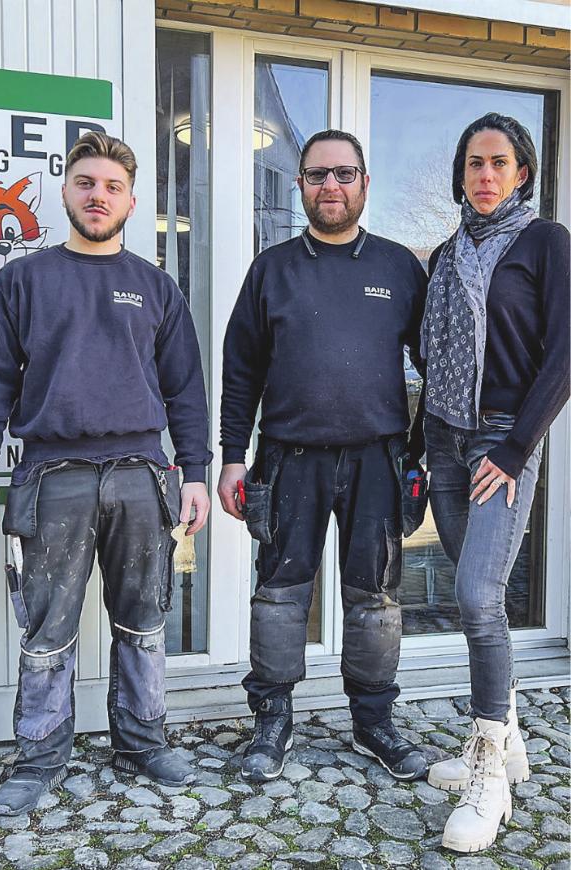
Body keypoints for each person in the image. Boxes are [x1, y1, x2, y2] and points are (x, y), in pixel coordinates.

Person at [0, 132, 212, 815]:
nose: (98, 196)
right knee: (48, 628)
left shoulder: (154, 286)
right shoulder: (23, 282)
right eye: (86, 183)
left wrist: (195, 470)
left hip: (141, 476)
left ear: (131, 201)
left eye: (112, 187)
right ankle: (39, 757)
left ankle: (141, 740)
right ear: (66, 191)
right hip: (51, 475)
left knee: (143, 620)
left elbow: (186, 388)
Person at [218, 129, 429, 783]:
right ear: (302, 184)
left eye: (343, 174)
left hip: (378, 461)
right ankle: (272, 721)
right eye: (316, 175)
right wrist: (231, 457)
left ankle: (374, 724)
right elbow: (239, 370)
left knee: (375, 601)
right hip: (289, 459)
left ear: (365, 183)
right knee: (279, 598)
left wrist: (427, 455)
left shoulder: (399, 267)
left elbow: (436, 367)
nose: (330, 187)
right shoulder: (271, 269)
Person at [421, 113, 570, 853]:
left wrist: (515, 447)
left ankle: (490, 773)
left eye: (499, 163)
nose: (485, 175)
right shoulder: (447, 253)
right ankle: (507, 737)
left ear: (523, 173)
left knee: (480, 597)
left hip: (503, 438)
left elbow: (566, 350)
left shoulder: (546, 242)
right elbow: (424, 349)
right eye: (474, 163)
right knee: (472, 592)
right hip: (443, 439)